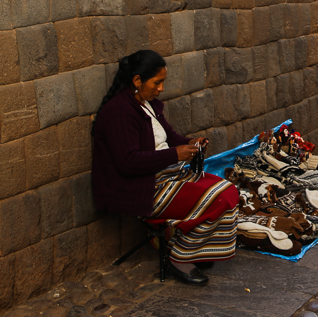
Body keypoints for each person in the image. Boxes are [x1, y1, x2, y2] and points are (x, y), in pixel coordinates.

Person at [92, 50, 239, 286]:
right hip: (142, 189)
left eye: (163, 82)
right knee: (219, 198)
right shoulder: (119, 113)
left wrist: (190, 144)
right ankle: (178, 258)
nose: (161, 89)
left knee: (229, 191)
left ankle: (194, 250)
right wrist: (174, 154)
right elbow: (128, 162)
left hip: (167, 176)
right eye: (157, 82)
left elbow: (169, 137)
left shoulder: (147, 105)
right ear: (137, 81)